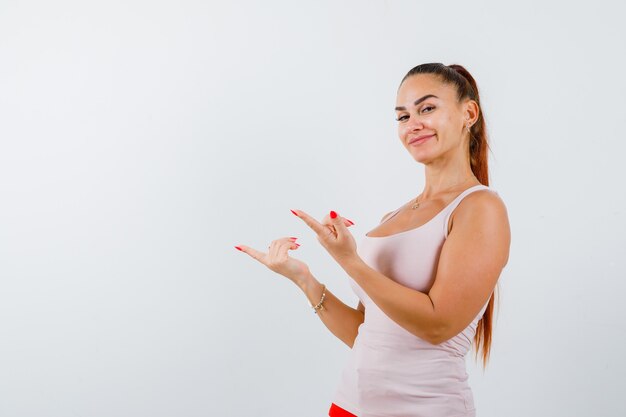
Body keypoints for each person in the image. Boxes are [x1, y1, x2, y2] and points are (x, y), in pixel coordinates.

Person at [234, 62, 511, 417]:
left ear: (468, 113)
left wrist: (349, 260)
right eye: (402, 116)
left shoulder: (480, 207)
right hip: (349, 405)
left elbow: (438, 324)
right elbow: (367, 336)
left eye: (427, 108)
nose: (413, 124)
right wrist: (302, 277)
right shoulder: (392, 219)